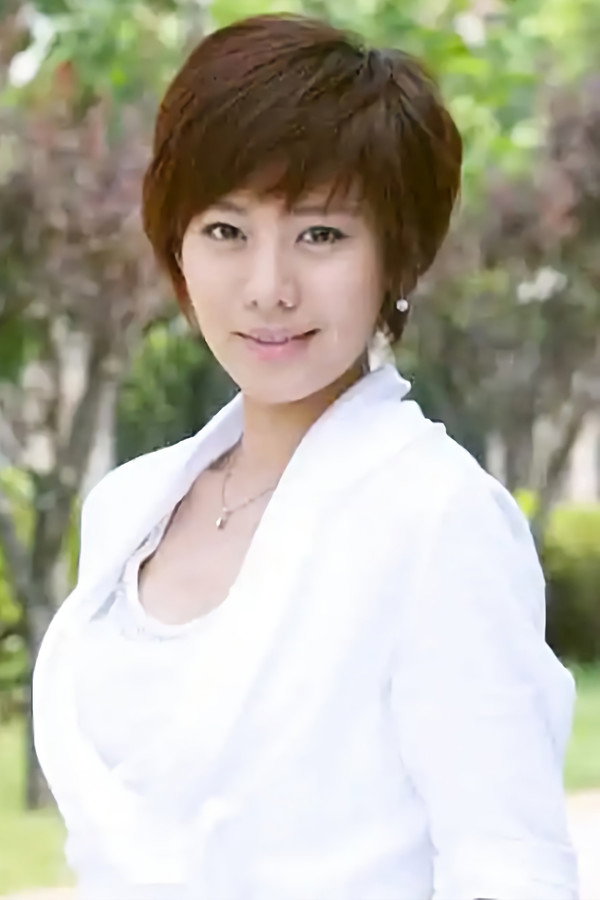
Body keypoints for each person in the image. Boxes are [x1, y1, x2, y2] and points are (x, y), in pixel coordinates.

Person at [33, 12, 579, 900]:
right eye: (226, 230)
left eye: (321, 234)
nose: (268, 288)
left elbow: (512, 869)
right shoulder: (127, 506)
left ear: (396, 256)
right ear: (177, 244)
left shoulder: (436, 518)